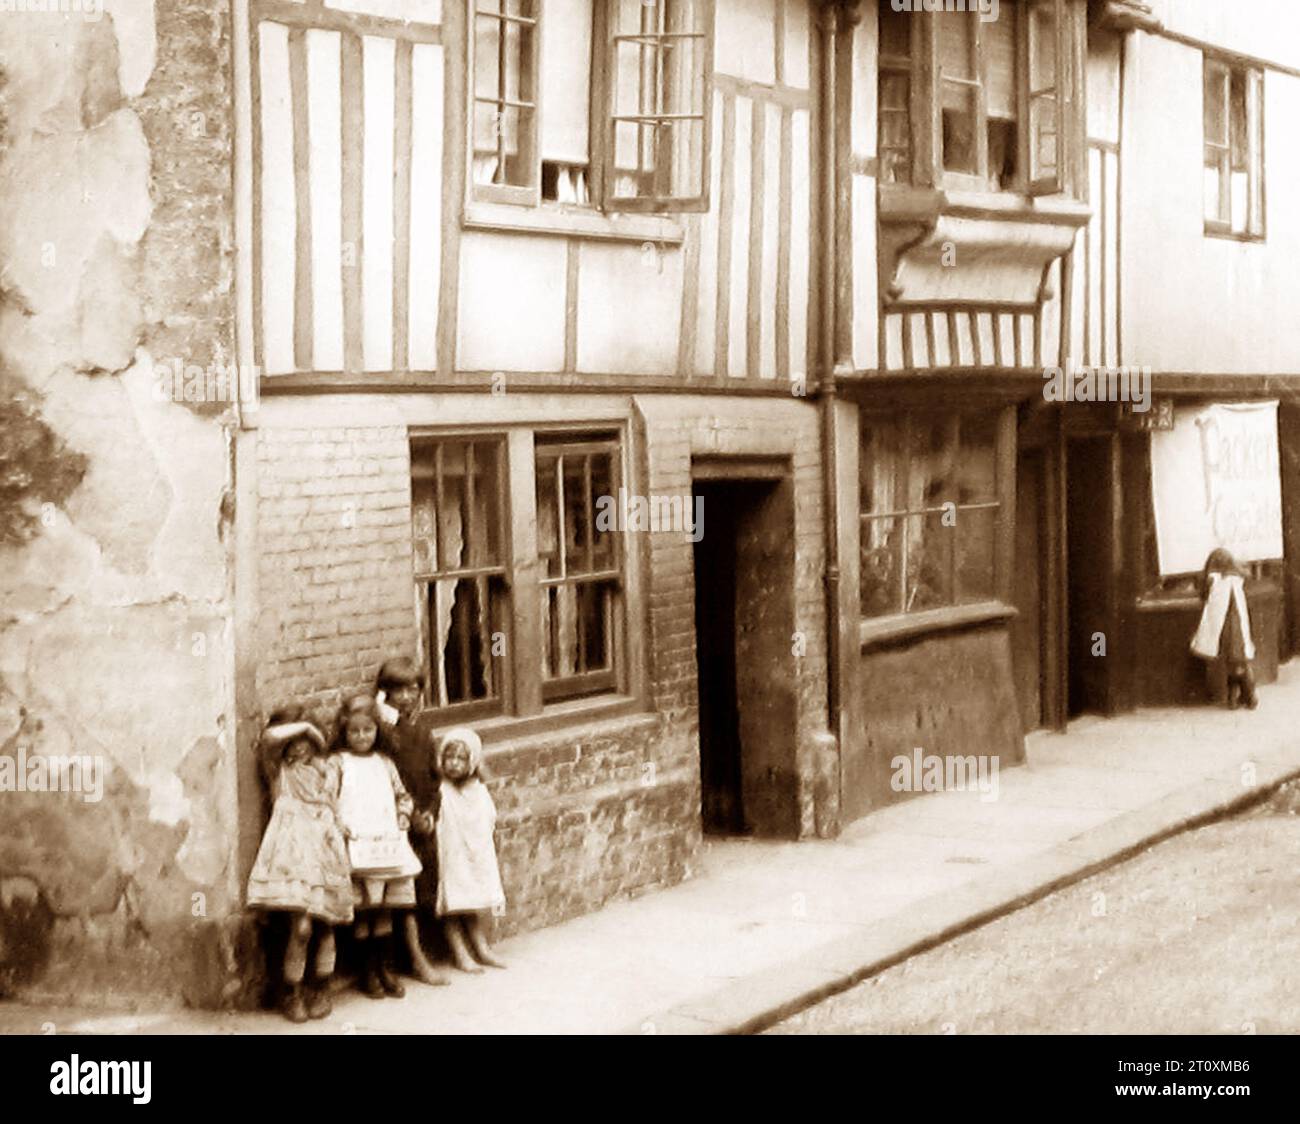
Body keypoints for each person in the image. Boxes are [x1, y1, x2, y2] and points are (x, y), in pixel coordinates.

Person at [246, 710, 353, 1022]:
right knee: (302, 926)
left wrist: (340, 825)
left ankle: (321, 987)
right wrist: (304, 726)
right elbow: (267, 739)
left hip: (325, 853)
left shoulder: (328, 770)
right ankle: (291, 990)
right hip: (293, 860)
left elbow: (333, 805)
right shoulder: (279, 772)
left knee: (326, 925)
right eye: (291, 741)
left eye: (304, 741)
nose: (298, 747)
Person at [334, 693, 423, 998]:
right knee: (365, 909)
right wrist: (339, 825)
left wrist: (403, 816)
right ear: (345, 732)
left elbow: (403, 795)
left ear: (377, 731)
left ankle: (386, 968)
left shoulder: (384, 763)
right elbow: (328, 800)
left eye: (367, 730)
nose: (361, 737)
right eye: (354, 731)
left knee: (384, 908)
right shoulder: (339, 763)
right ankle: (367, 971)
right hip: (357, 843)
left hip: (385, 842)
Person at [374, 656, 449, 986]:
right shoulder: (382, 732)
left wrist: (430, 812)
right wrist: (381, 713)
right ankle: (401, 959)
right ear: (384, 693)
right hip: (389, 822)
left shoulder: (422, 732)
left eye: (412, 689)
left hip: (419, 821)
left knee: (422, 889)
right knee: (396, 894)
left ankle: (422, 952)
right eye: (396, 690)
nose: (405, 697)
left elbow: (434, 780)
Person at [434, 727, 507, 972]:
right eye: (449, 757)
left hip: (471, 853)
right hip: (449, 854)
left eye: (461, 758)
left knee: (471, 899)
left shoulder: (477, 790)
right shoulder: (441, 790)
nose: (454, 764)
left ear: (472, 761)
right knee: (453, 903)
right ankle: (460, 953)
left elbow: (487, 818)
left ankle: (481, 948)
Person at [1191, 547, 1258, 710]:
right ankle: (1245, 695)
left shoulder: (1213, 579)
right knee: (1240, 660)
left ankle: (1238, 697)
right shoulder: (1237, 579)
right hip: (1239, 626)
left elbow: (1203, 594)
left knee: (1233, 662)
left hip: (1222, 628)